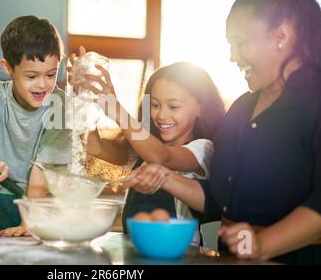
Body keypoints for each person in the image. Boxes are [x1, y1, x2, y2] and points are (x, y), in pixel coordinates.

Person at [126, 0, 321, 263]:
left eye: (240, 43)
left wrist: (262, 244)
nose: (232, 56)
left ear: (281, 36)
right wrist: (164, 177)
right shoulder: (243, 108)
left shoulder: (314, 104)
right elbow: (218, 199)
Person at [71, 54, 225, 243]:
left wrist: (116, 109)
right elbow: (94, 148)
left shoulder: (202, 149)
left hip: (180, 256)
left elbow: (162, 158)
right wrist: (82, 98)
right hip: (136, 254)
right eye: (155, 105)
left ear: (201, 108)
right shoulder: (140, 150)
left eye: (174, 106)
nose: (161, 115)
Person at [0, 15, 71, 236]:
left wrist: (30, 224)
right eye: (31, 76)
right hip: (1, 195)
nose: (43, 85)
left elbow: (41, 174)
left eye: (51, 74)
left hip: (36, 205)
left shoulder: (60, 105)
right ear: (8, 68)